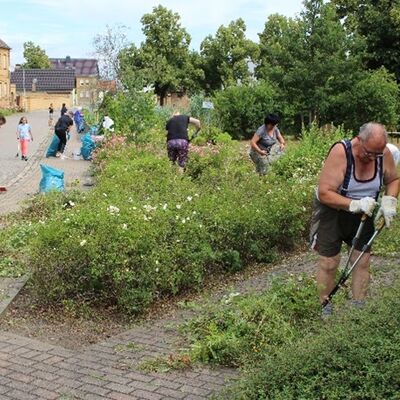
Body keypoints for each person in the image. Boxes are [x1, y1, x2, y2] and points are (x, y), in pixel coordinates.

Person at [312, 122, 399, 317]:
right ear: (359, 141)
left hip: (364, 212)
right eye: (369, 153)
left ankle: (359, 309)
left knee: (362, 261)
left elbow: (393, 179)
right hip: (333, 212)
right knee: (329, 261)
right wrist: (354, 204)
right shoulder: (341, 152)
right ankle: (325, 307)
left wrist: (389, 201)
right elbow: (324, 193)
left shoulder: (381, 153)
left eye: (377, 154)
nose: (372, 158)